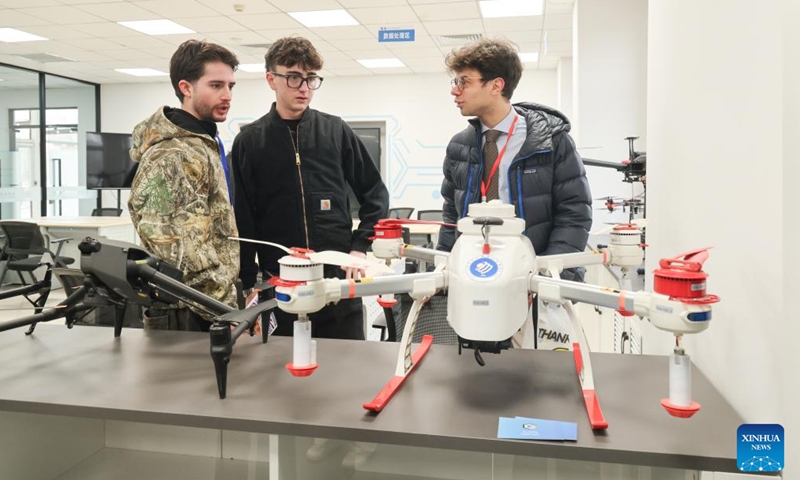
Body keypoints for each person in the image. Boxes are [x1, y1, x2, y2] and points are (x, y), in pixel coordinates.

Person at [437, 38, 592, 350]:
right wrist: (442, 271)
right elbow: (451, 215)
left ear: (496, 85)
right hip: (474, 283)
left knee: (535, 371)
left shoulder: (551, 141)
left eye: (463, 81)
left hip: (533, 287)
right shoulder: (459, 146)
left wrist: (549, 278)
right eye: (455, 82)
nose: (455, 90)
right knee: (476, 369)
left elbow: (574, 213)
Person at [231, 36, 389, 340]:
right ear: (271, 80)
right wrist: (248, 282)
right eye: (293, 77)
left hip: (337, 283)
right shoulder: (250, 142)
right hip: (281, 287)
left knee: (346, 362)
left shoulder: (335, 131)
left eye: (311, 78)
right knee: (281, 364)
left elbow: (375, 193)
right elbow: (243, 218)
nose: (304, 87)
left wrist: (360, 246)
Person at [128, 39, 240, 331]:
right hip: (188, 309)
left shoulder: (200, 143)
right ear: (186, 88)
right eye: (216, 85)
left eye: (230, 86)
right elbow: (181, 252)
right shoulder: (173, 155)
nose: (227, 95)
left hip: (205, 305)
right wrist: (225, 308)